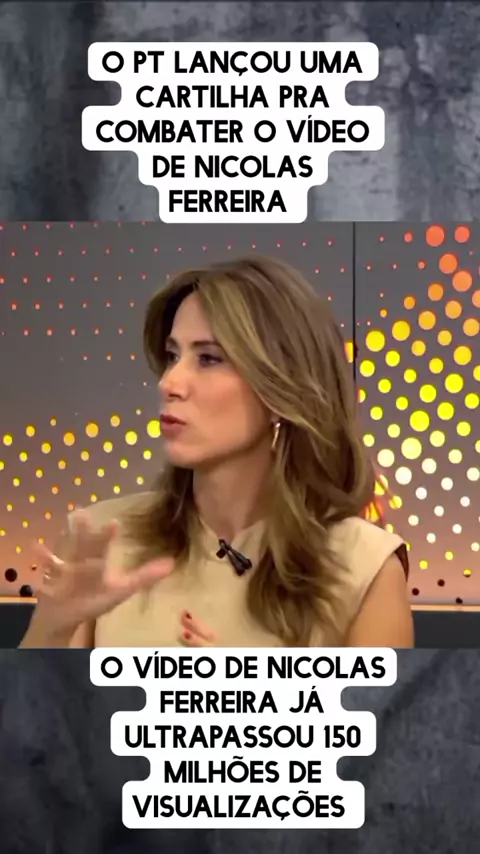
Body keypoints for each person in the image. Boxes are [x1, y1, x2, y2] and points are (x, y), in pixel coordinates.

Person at [20, 255, 413, 649]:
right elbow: (37, 690)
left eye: (208, 358)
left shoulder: (365, 567)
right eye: (172, 356)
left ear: (280, 390)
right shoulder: (99, 542)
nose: (169, 382)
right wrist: (50, 628)